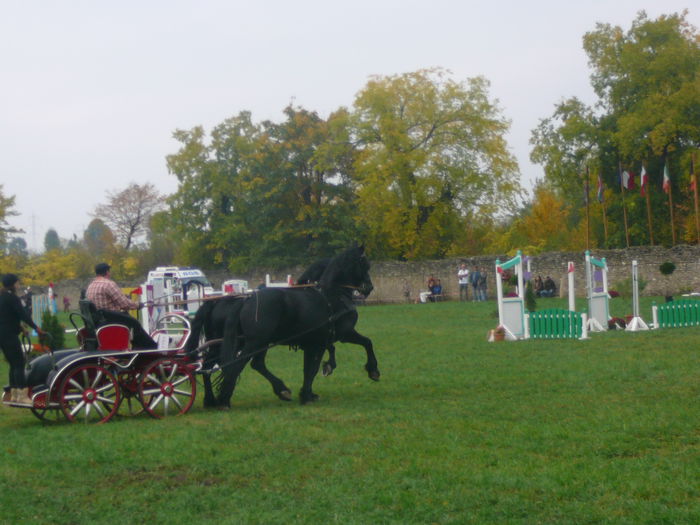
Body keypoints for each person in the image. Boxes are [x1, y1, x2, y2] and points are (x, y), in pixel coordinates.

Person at [85, 263, 156, 349]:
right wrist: (138, 304)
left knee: (131, 321)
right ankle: (148, 347)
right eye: (109, 272)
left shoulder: (91, 286)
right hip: (111, 319)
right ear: (107, 272)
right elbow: (124, 304)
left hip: (99, 320)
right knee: (135, 323)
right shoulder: (108, 284)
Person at [1, 273, 46, 405]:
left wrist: (21, 328)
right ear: (13, 284)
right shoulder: (12, 298)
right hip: (9, 334)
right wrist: (36, 328)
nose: (18, 284)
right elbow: (23, 314)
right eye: (17, 282)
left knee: (13, 364)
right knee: (19, 363)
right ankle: (22, 395)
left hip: (3, 333)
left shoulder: (2, 296)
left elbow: (7, 316)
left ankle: (14, 394)